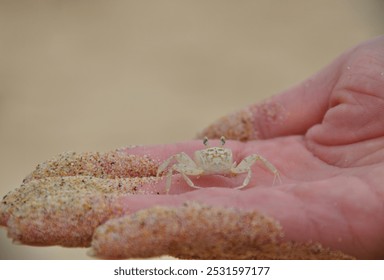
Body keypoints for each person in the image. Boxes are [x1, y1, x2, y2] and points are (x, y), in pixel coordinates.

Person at [2, 36, 384, 259]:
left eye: (219, 148)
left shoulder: (235, 161)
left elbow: (257, 159)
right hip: (196, 179)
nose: (216, 152)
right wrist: (176, 180)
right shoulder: (192, 161)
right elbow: (172, 164)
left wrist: (262, 177)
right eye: (210, 148)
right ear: (204, 149)